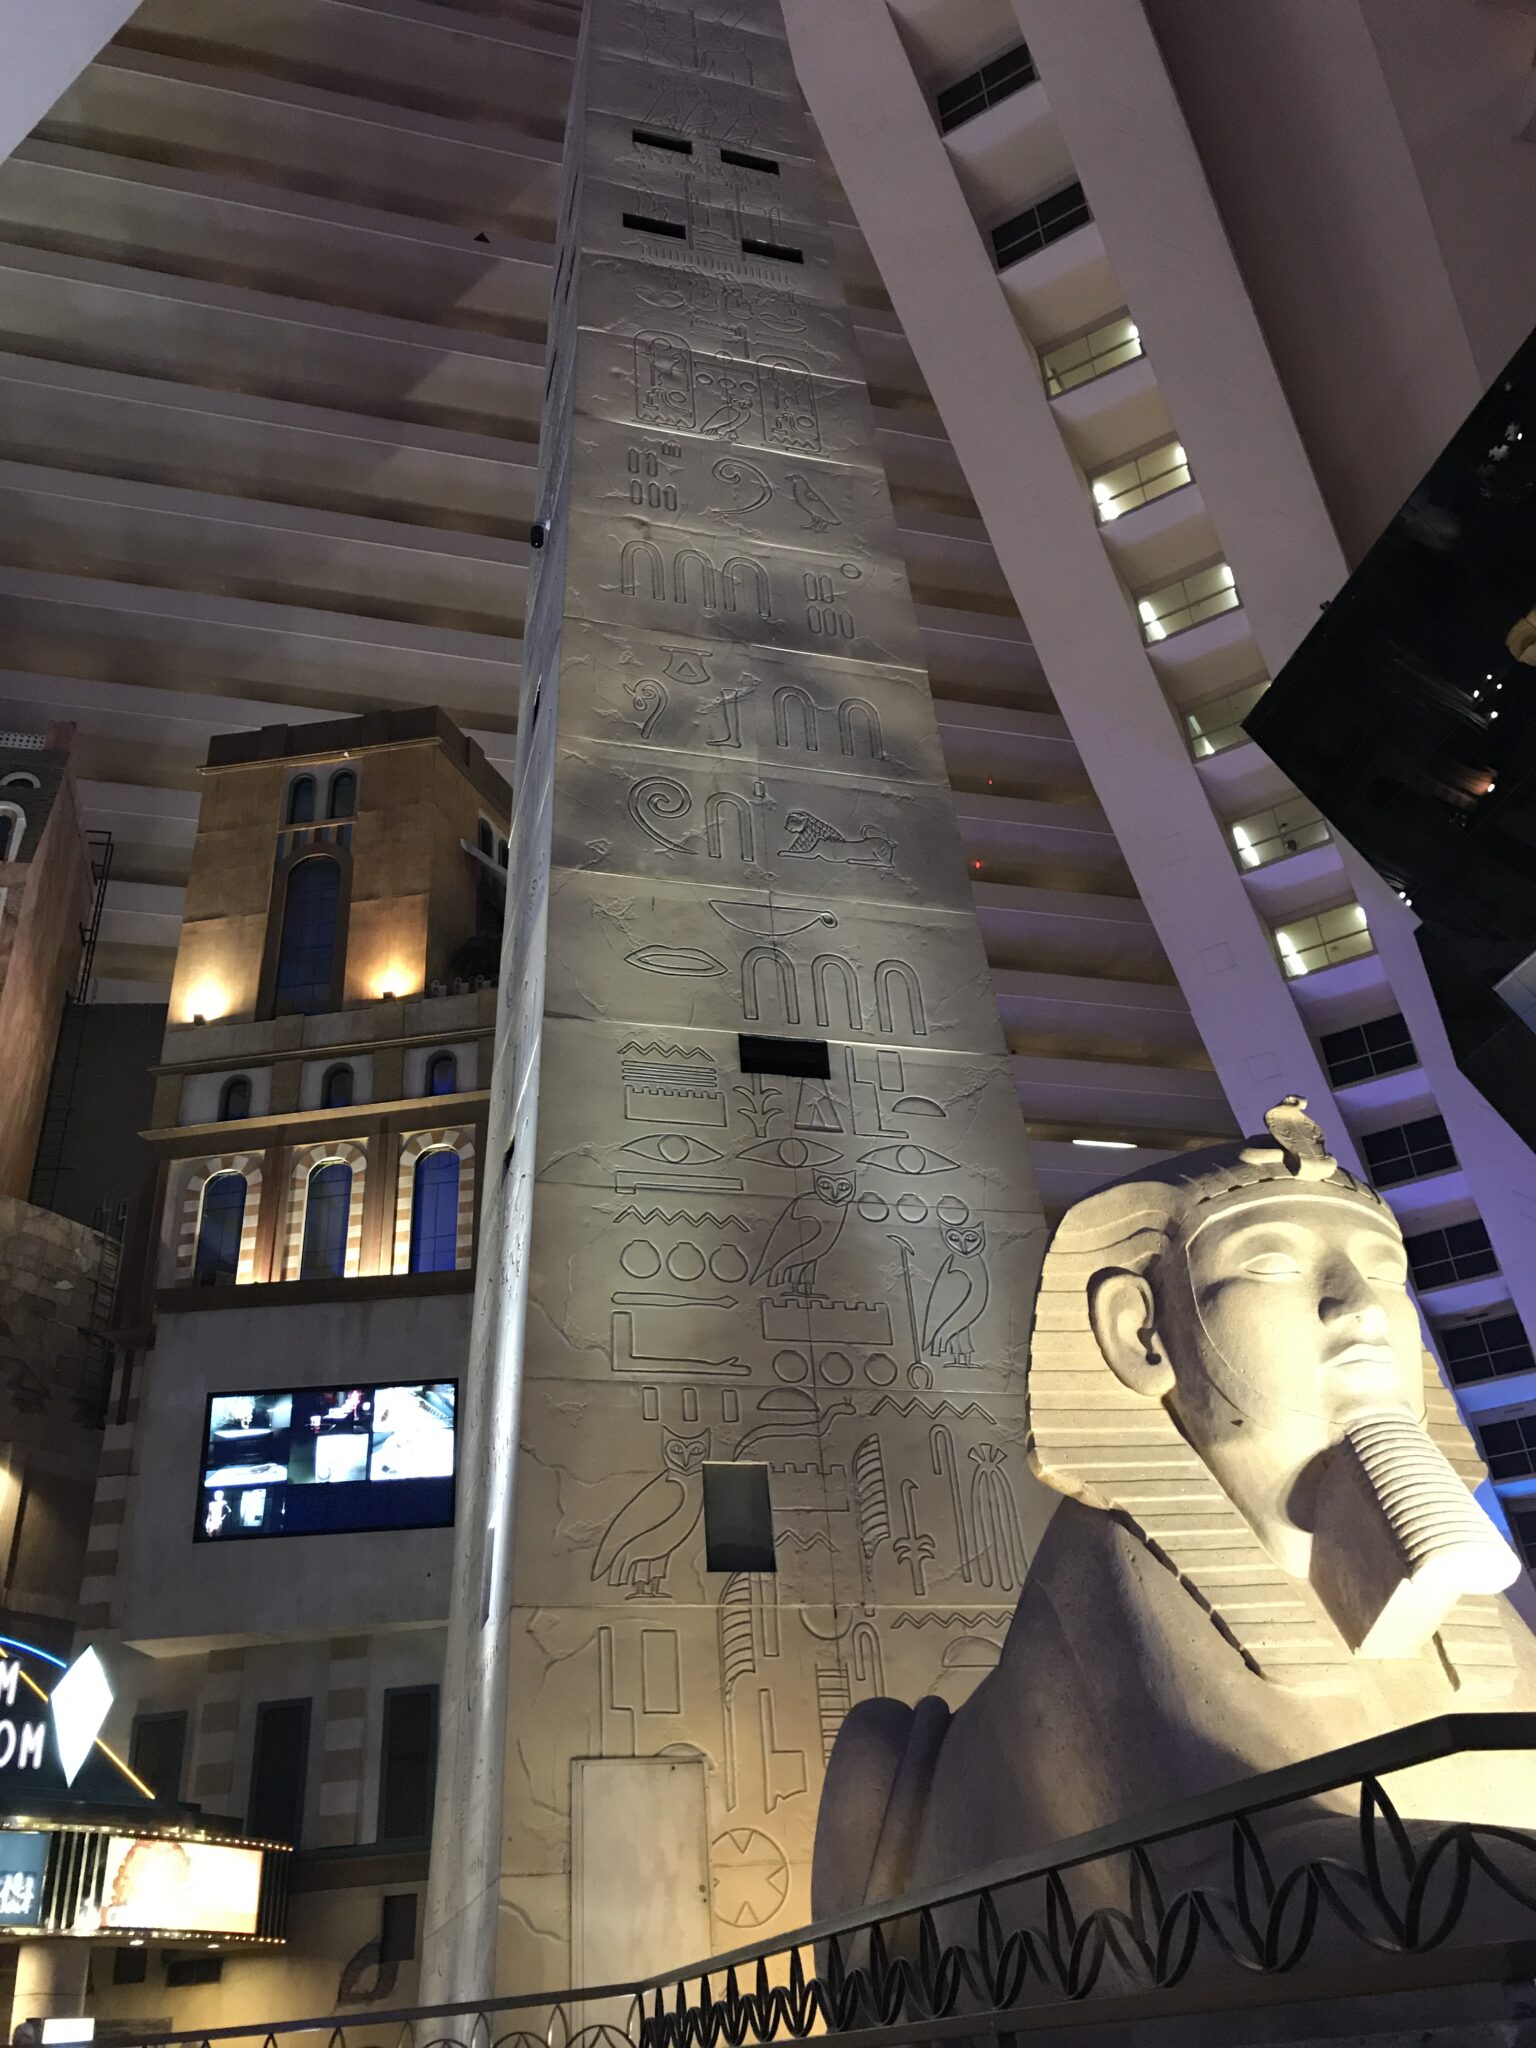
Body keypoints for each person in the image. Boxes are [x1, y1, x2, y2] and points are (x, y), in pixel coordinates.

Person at [813, 1100, 1536, 1916]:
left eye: (1382, 1272)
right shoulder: (1108, 1570)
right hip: (966, 1932)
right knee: (876, 1746)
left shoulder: (1467, 1598)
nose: (1359, 1307)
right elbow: (1236, 1899)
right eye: (1271, 1263)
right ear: (1139, 1332)